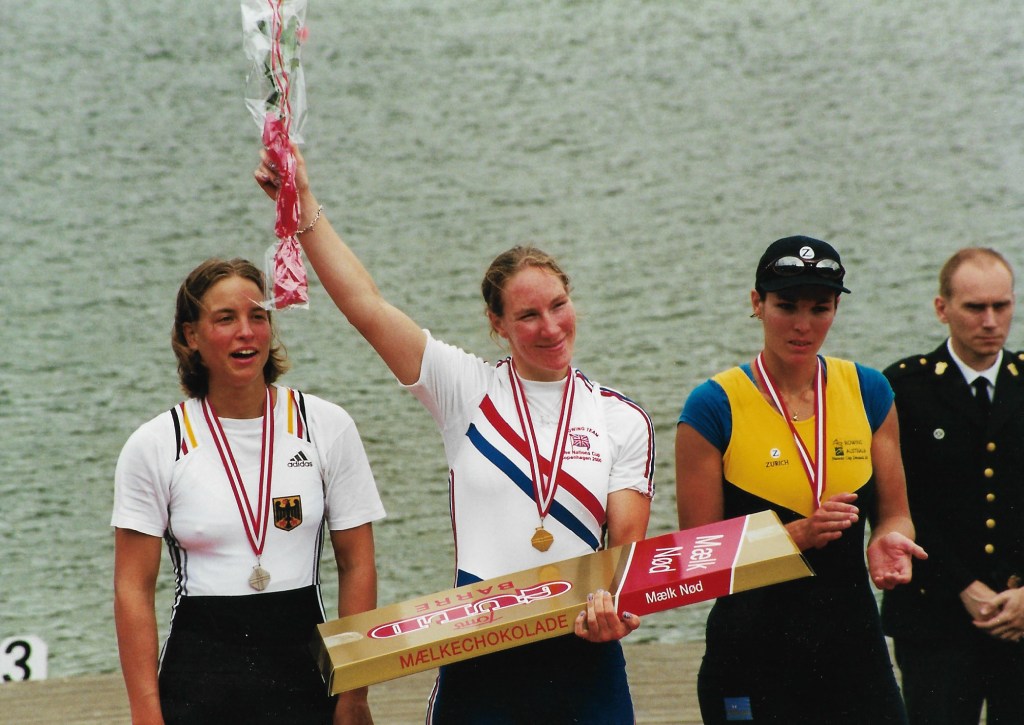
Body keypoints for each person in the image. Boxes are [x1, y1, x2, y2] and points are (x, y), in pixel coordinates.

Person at [255, 148, 655, 724]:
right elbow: (366, 306)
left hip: (583, 656)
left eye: (558, 306)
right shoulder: (464, 390)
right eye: (527, 316)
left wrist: (614, 607)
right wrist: (303, 202)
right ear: (497, 325)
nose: (550, 327)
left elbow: (624, 554)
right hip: (479, 658)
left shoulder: (622, 419)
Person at [112, 258, 386, 725]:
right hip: (199, 681)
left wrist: (354, 695)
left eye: (258, 316)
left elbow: (356, 563)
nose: (247, 331)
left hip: (307, 675)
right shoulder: (155, 445)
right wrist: (145, 713)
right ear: (190, 336)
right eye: (225, 319)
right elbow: (132, 589)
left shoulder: (325, 426)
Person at [675, 235, 927, 725]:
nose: (802, 324)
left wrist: (889, 541)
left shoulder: (869, 392)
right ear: (757, 303)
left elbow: (895, 514)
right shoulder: (711, 406)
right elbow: (696, 559)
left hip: (853, 649)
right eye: (785, 305)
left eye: (820, 308)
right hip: (750, 655)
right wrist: (797, 536)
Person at [881, 248, 1024, 725]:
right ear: (942, 308)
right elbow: (899, 503)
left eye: (1001, 306)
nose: (990, 321)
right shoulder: (905, 389)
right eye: (974, 307)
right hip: (935, 615)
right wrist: (962, 585)